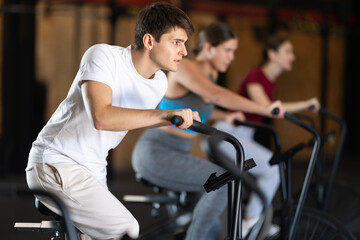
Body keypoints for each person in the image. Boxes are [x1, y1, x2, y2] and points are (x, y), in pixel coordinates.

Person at [25, 3, 199, 240]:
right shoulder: (103, 56)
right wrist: (164, 115)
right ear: (149, 41)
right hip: (56, 163)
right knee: (127, 230)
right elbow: (102, 117)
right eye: (176, 42)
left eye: (184, 43)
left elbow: (132, 118)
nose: (184, 51)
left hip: (93, 171)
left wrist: (171, 120)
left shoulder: (159, 83)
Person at [132, 22, 286, 240]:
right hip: (157, 152)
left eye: (234, 51)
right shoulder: (184, 67)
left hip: (179, 153)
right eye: (228, 50)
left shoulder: (209, 77)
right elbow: (216, 95)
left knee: (212, 228)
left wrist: (225, 116)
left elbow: (197, 108)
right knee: (224, 182)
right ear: (208, 49)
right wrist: (265, 109)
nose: (231, 57)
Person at [213, 35, 321, 237]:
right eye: (288, 51)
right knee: (274, 168)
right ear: (272, 54)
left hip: (244, 136)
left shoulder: (271, 80)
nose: (293, 56)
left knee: (267, 169)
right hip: (229, 135)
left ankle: (255, 219)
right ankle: (250, 222)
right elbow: (268, 108)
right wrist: (306, 104)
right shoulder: (256, 75)